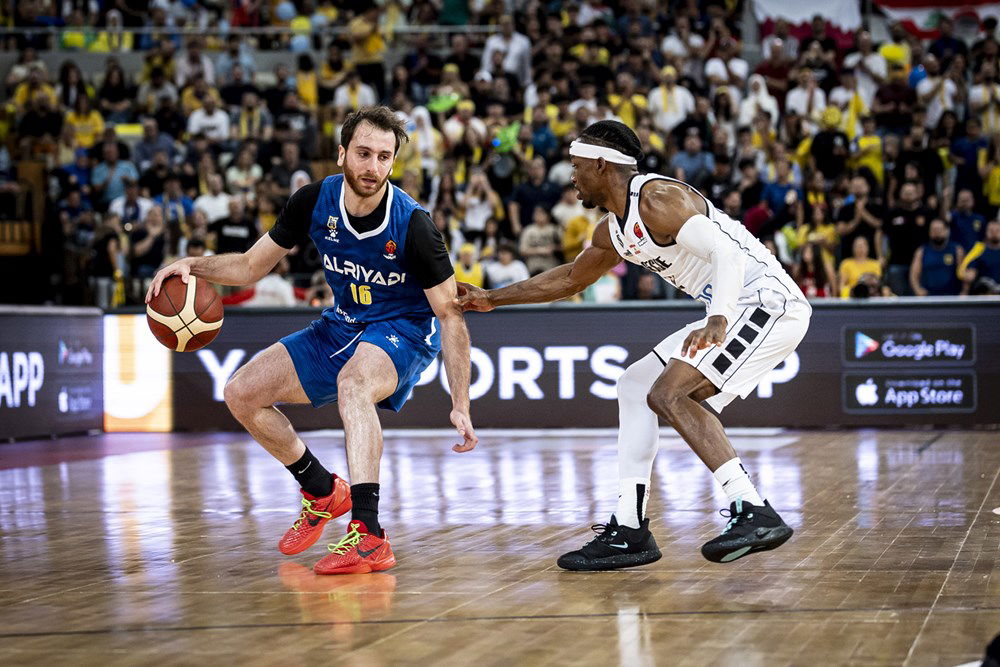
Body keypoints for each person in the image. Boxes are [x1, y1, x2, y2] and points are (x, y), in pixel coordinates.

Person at [457, 121, 810, 568]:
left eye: (577, 166)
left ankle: (751, 508)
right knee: (635, 386)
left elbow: (729, 254)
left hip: (765, 303)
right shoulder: (613, 231)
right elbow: (570, 279)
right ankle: (630, 528)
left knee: (669, 394)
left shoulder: (658, 199)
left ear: (601, 165)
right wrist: (492, 298)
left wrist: (719, 316)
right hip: (729, 306)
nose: (571, 176)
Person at [147, 106, 476, 575]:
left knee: (353, 384)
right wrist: (192, 265)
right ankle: (322, 490)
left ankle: (369, 534)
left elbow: (450, 315)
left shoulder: (414, 225)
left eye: (384, 157)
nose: (374, 167)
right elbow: (250, 266)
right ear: (342, 154)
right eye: (363, 153)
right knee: (241, 393)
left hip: (403, 330)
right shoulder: (313, 200)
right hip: (341, 324)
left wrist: (460, 402)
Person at [910, 218, 964, 296]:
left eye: (939, 230)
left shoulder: (957, 249)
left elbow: (964, 274)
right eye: (933, 230)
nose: (936, 233)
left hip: (952, 296)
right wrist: (917, 289)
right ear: (929, 232)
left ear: (946, 231)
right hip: (929, 296)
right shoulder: (921, 251)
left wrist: (964, 292)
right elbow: (913, 274)